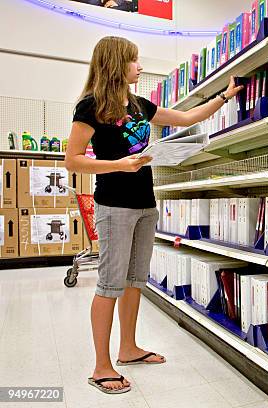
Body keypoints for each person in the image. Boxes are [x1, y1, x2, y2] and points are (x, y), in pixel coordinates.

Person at [65, 36, 243, 395]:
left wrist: (225, 97)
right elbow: (72, 159)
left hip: (146, 204)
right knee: (110, 284)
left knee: (134, 281)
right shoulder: (91, 106)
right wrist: (118, 165)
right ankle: (102, 365)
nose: (140, 67)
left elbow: (187, 117)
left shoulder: (139, 105)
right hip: (114, 206)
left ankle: (128, 348)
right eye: (134, 61)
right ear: (117, 64)